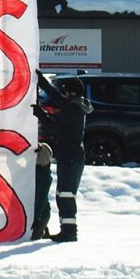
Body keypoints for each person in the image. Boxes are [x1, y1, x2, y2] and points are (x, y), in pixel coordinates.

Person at [35, 73, 93, 242]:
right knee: (64, 193)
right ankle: (67, 230)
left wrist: (40, 114)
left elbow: (53, 126)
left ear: (71, 92)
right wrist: (41, 81)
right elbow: (55, 97)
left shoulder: (73, 109)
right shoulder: (75, 104)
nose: (63, 93)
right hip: (71, 157)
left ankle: (69, 232)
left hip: (71, 158)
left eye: (65, 90)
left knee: (66, 194)